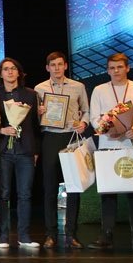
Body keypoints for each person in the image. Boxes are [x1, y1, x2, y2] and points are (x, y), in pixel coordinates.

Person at [87, 53, 133, 252]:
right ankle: (106, 237)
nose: (116, 71)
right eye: (112, 68)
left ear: (127, 68)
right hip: (108, 145)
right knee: (108, 194)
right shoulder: (99, 90)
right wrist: (108, 129)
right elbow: (94, 118)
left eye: (119, 67)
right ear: (107, 70)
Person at [34, 52, 89, 249]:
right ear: (47, 68)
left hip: (71, 138)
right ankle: (50, 235)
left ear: (65, 66)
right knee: (49, 187)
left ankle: (71, 234)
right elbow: (34, 118)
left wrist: (83, 123)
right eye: (53, 65)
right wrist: (38, 113)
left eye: (60, 64)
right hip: (50, 137)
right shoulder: (39, 89)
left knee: (73, 187)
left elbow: (86, 110)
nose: (56, 68)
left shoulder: (78, 86)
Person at [0, 58, 40, 249]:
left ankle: (24, 236)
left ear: (19, 72)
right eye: (6, 69)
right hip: (3, 151)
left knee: (25, 194)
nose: (10, 72)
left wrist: (35, 150)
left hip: (25, 150)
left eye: (13, 68)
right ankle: (3, 236)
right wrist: (1, 130)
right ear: (0, 73)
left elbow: (36, 126)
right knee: (3, 194)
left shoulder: (31, 94)